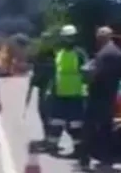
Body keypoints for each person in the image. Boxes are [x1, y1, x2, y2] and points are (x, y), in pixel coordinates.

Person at [79, 26, 121, 172]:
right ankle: (106, 161)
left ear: (101, 37)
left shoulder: (103, 54)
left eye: (98, 37)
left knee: (89, 130)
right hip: (110, 96)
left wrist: (86, 73)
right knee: (106, 131)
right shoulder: (119, 53)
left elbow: (93, 75)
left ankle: (85, 161)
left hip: (97, 97)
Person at [46, 24, 87, 156]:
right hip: (59, 94)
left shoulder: (80, 53)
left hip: (75, 95)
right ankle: (52, 146)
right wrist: (50, 89)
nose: (68, 40)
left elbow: (87, 72)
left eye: (71, 37)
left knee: (75, 125)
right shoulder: (59, 53)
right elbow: (55, 73)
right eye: (66, 37)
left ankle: (79, 150)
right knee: (56, 122)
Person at [24, 40, 55, 145]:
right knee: (47, 117)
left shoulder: (44, 66)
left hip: (48, 93)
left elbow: (33, 82)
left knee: (47, 117)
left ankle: (49, 139)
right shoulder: (51, 63)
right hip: (48, 92)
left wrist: (26, 103)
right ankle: (49, 139)